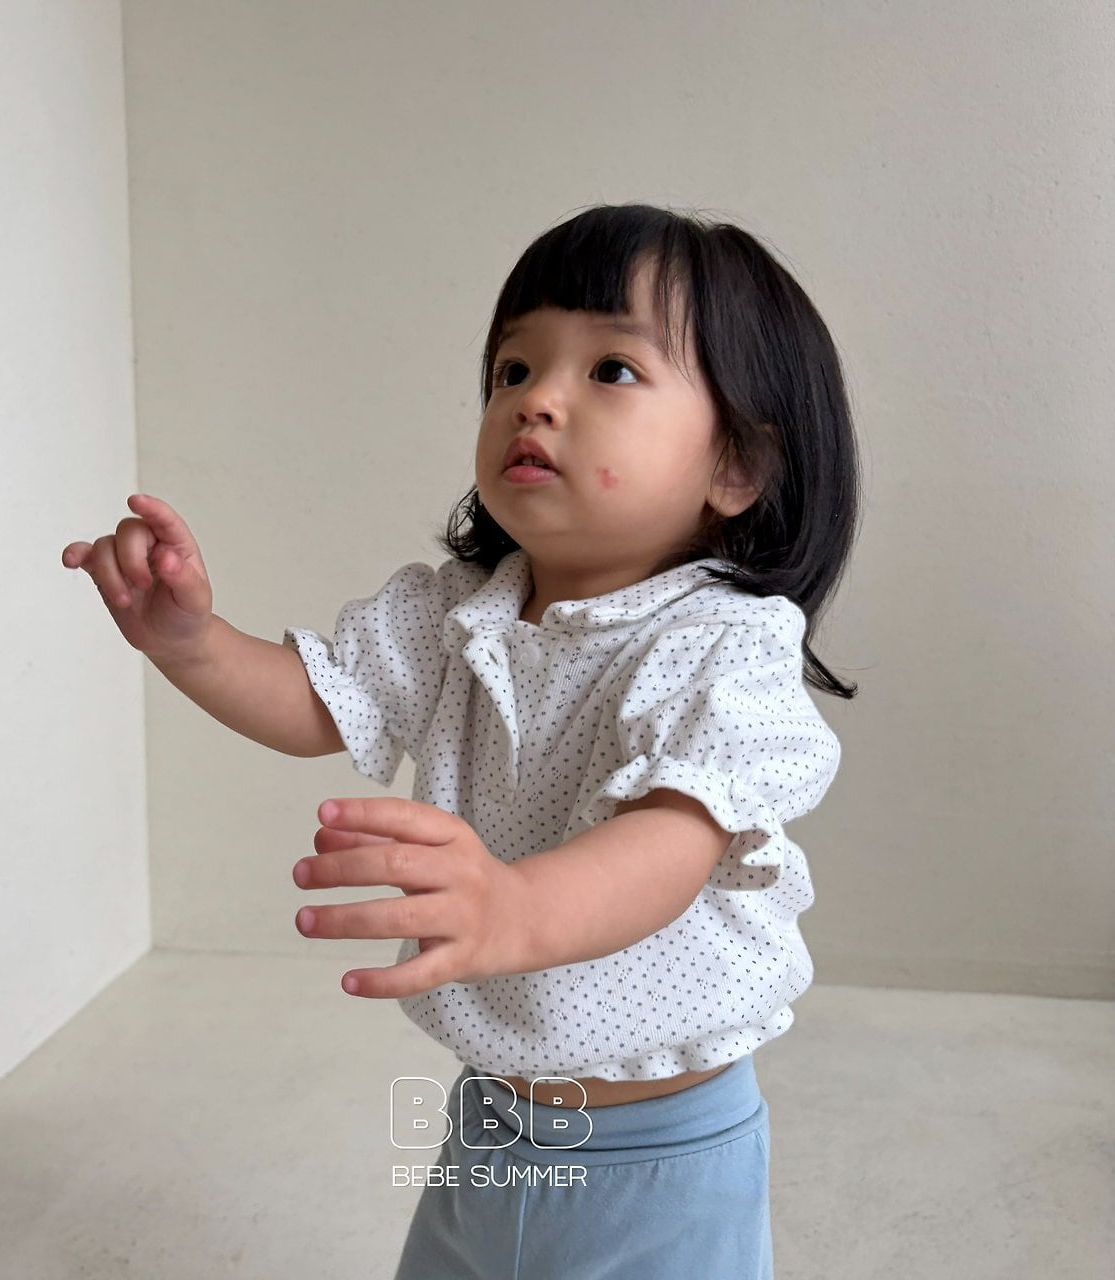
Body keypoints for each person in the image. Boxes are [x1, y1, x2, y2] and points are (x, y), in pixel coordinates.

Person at [62, 202, 861, 1279]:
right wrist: (192, 642)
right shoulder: (458, 610)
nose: (537, 398)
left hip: (659, 1158)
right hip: (490, 1120)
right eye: (513, 368)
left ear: (737, 466)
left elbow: (675, 839)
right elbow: (315, 702)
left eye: (611, 369)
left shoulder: (722, 644)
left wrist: (516, 905)